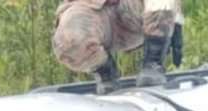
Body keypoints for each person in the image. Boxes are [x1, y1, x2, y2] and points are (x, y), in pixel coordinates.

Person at [53, 0, 184, 95]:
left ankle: (153, 65)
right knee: (67, 40)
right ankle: (105, 73)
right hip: (90, 9)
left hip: (133, 11)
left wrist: (176, 19)